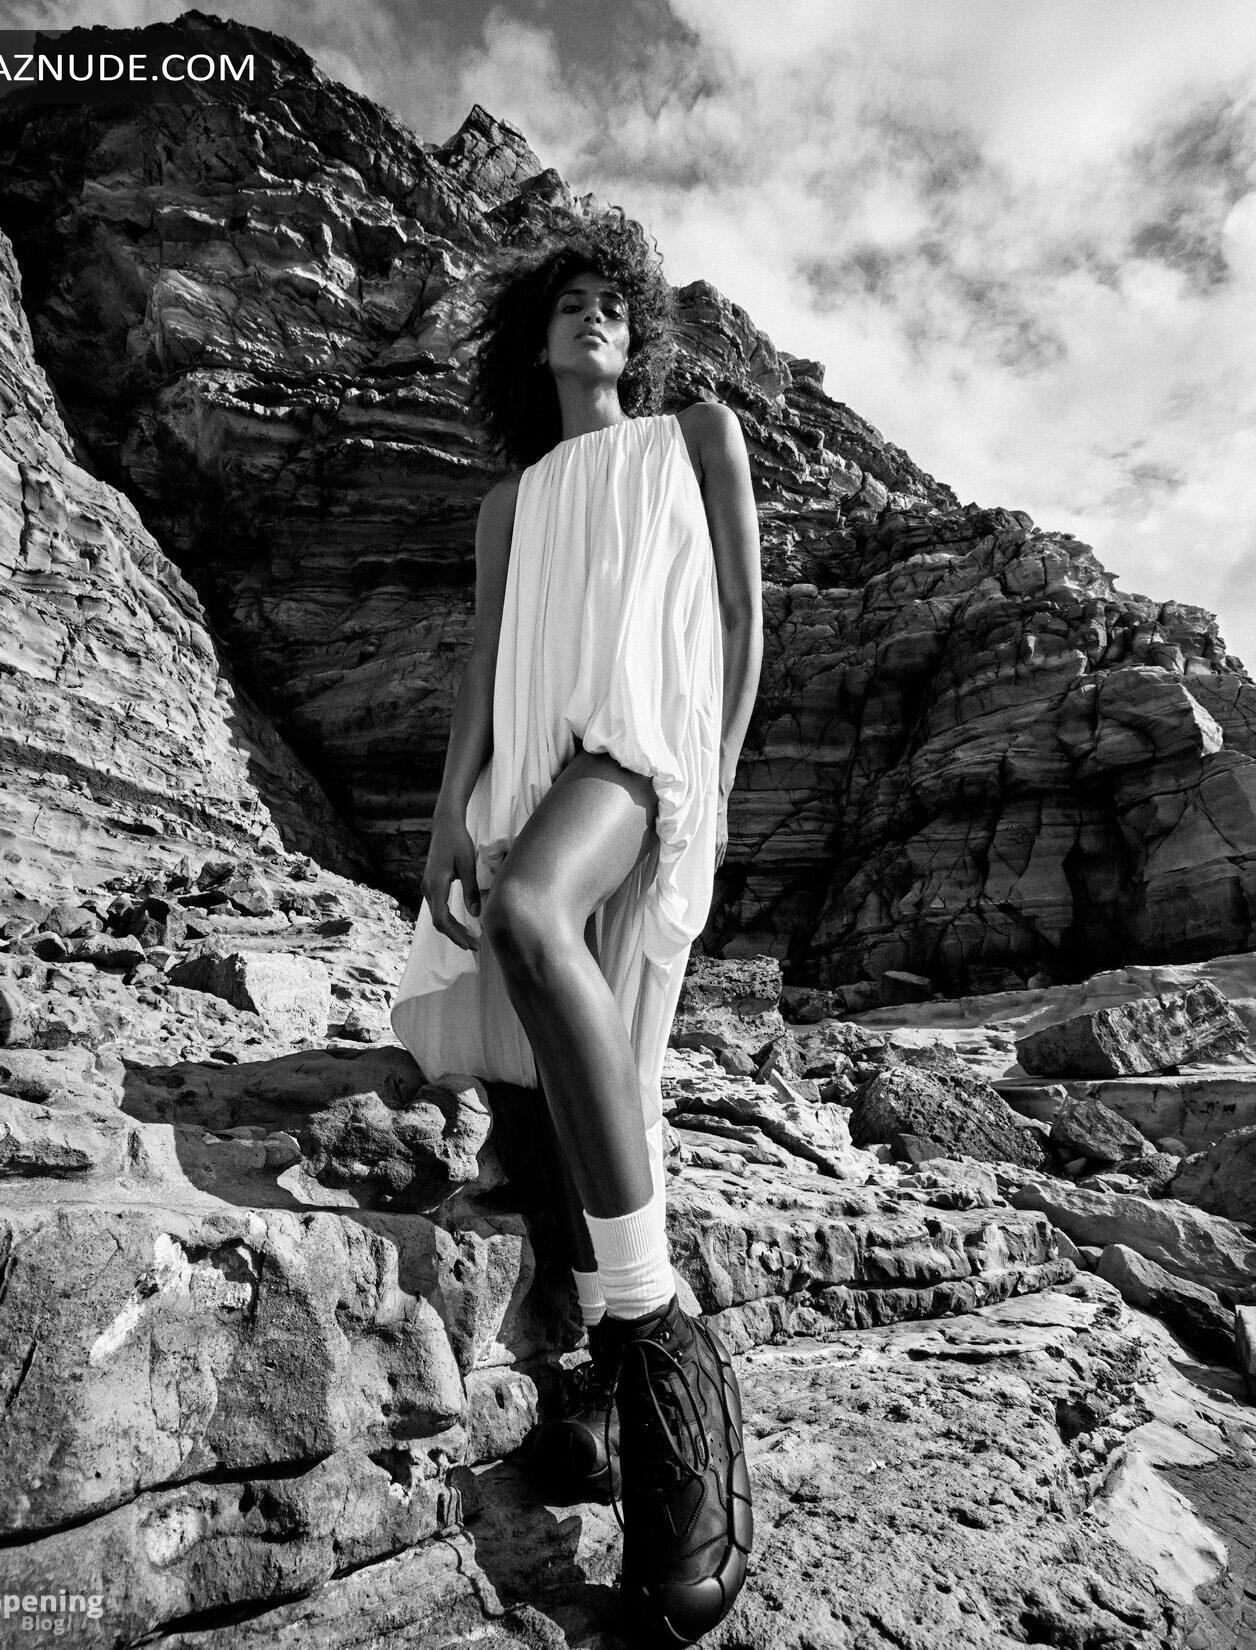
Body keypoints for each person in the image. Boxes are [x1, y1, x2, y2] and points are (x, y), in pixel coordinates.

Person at [390, 211, 763, 1646]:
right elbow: (484, 664)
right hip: (528, 774)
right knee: (550, 1076)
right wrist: (446, 818)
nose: (593, 315)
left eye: (615, 301)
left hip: (637, 755)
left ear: (641, 335)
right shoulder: (511, 502)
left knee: (538, 918)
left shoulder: (698, 435)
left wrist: (711, 782)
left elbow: (740, 620)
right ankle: (602, 1389)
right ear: (533, 340)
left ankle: (667, 1346)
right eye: (568, 302)